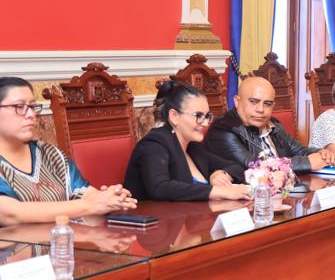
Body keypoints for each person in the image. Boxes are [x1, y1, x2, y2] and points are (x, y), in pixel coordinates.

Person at [0, 76, 136, 225]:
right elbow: (10, 214)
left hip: (65, 238)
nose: (31, 115)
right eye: (19, 107)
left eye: (32, 107)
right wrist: (90, 206)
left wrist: (110, 198)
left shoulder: (50, 154)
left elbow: (85, 194)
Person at [123, 82, 251, 202]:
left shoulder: (192, 146)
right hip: (150, 217)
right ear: (174, 116)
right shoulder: (154, 144)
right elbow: (159, 188)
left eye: (207, 116)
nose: (206, 123)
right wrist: (218, 191)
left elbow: (236, 167)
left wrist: (220, 174)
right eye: (198, 116)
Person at [205, 76, 335, 174]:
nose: (261, 109)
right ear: (237, 101)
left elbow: (300, 151)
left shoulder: (273, 124)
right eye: (253, 102)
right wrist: (308, 162)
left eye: (267, 104)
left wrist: (322, 153)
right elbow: (255, 166)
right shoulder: (223, 130)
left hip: (285, 190)